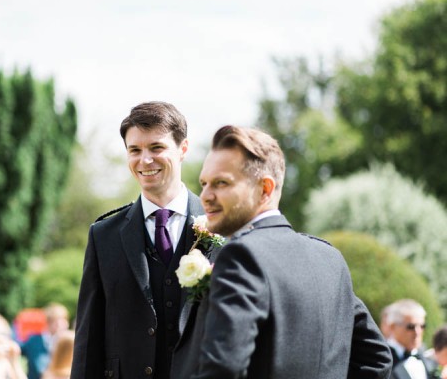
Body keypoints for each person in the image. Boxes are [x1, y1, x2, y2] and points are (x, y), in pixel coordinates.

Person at [171, 125, 393, 378]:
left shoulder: (241, 256)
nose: (206, 195)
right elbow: (377, 360)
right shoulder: (330, 258)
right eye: (204, 183)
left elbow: (223, 369)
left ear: (265, 189)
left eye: (221, 183)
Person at [71, 101, 209, 379]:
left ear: (182, 149)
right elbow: (89, 337)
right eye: (135, 150)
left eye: (156, 148)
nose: (145, 160)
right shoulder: (103, 235)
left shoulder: (223, 228)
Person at [384, 299, 437, 379]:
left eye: (422, 326)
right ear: (393, 327)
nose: (418, 332)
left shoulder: (424, 352)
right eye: (411, 327)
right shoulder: (382, 357)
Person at [22, 303, 70, 379]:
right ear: (47, 323)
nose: (61, 324)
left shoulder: (69, 342)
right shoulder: (34, 341)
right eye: (55, 321)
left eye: (64, 320)